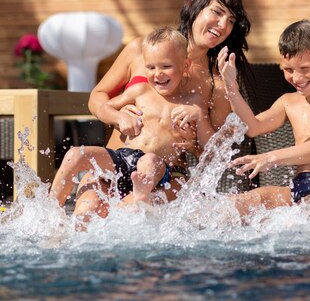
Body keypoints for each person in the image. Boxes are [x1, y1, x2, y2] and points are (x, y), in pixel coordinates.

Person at [72, 0, 252, 214]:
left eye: (230, 21)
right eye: (217, 13)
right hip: (115, 162)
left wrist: (194, 141)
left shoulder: (215, 83)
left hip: (166, 177)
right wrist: (117, 117)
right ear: (194, 7)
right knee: (87, 212)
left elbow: (215, 153)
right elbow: (97, 96)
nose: (222, 25)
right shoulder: (141, 49)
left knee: (126, 215)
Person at [49, 28, 213, 219]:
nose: (157, 74)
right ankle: (51, 211)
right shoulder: (139, 91)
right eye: (150, 67)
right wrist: (120, 117)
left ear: (185, 66)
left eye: (166, 66)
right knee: (75, 154)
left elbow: (209, 145)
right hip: (122, 158)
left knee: (149, 161)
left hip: (158, 168)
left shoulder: (193, 102)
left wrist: (199, 117)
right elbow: (104, 107)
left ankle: (139, 199)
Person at [217, 19, 310, 218]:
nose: (296, 78)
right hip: (298, 186)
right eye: (288, 69)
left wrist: (270, 157)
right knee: (246, 202)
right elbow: (252, 127)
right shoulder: (288, 101)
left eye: (304, 69)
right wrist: (231, 87)